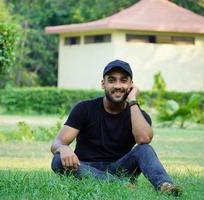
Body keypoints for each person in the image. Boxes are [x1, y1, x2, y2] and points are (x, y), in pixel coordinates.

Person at [51, 59, 182, 196]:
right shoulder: (84, 109)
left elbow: (144, 139)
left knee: (144, 149)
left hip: (121, 169)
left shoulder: (138, 115)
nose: (118, 85)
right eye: (112, 80)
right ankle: (118, 184)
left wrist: (132, 100)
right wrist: (63, 148)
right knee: (58, 159)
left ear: (131, 85)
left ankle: (165, 185)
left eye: (123, 80)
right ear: (103, 84)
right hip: (85, 167)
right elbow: (57, 143)